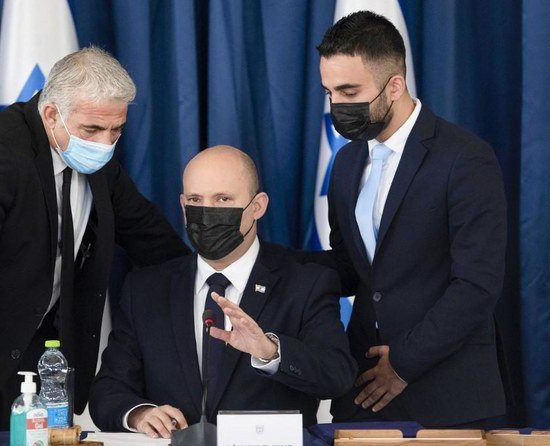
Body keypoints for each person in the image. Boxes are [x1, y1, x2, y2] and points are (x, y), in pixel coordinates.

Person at [0, 47, 190, 433]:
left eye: (117, 130)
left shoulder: (96, 162)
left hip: (27, 372)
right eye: (93, 130)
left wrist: (209, 282)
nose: (105, 143)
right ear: (51, 113)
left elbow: (153, 241)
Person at [312, 11, 507, 427]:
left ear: (395, 85)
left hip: (446, 394)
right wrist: (266, 260)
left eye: (349, 92)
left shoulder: (465, 158)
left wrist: (402, 364)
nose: (337, 107)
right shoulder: (346, 163)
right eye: (330, 93)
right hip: (363, 393)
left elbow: (477, 284)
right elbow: (351, 269)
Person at [89, 145, 357, 438]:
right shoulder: (145, 289)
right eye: (195, 199)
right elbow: (108, 390)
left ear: (258, 206)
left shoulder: (307, 283)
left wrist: (271, 351)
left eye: (223, 199)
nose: (207, 212)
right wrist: (140, 414)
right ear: (182, 204)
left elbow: (337, 375)